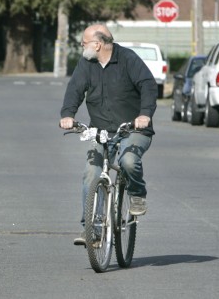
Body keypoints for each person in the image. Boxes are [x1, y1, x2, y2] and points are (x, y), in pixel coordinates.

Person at [59, 24, 157, 246]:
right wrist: (68, 115)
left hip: (132, 129)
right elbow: (75, 89)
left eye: (84, 42)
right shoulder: (86, 64)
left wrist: (144, 115)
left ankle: (137, 194)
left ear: (98, 44)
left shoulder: (128, 59)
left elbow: (148, 86)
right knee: (91, 174)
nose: (81, 45)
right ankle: (91, 230)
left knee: (128, 161)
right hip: (101, 131)